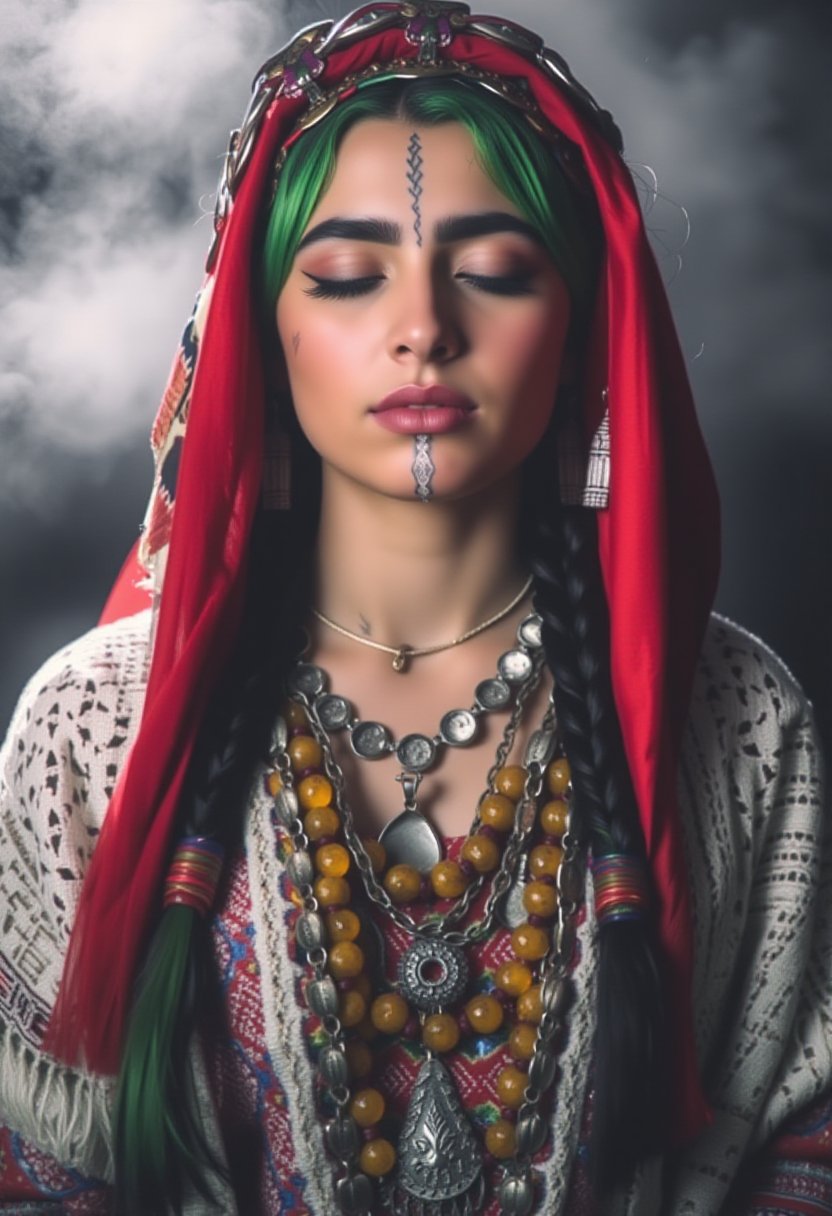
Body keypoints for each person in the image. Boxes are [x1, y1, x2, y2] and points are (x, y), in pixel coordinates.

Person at [0, 4, 828, 1214]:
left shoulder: (736, 712)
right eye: (345, 277)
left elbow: (802, 1144)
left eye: (492, 273)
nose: (423, 331)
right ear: (261, 332)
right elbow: (36, 1169)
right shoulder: (90, 723)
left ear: (586, 328)